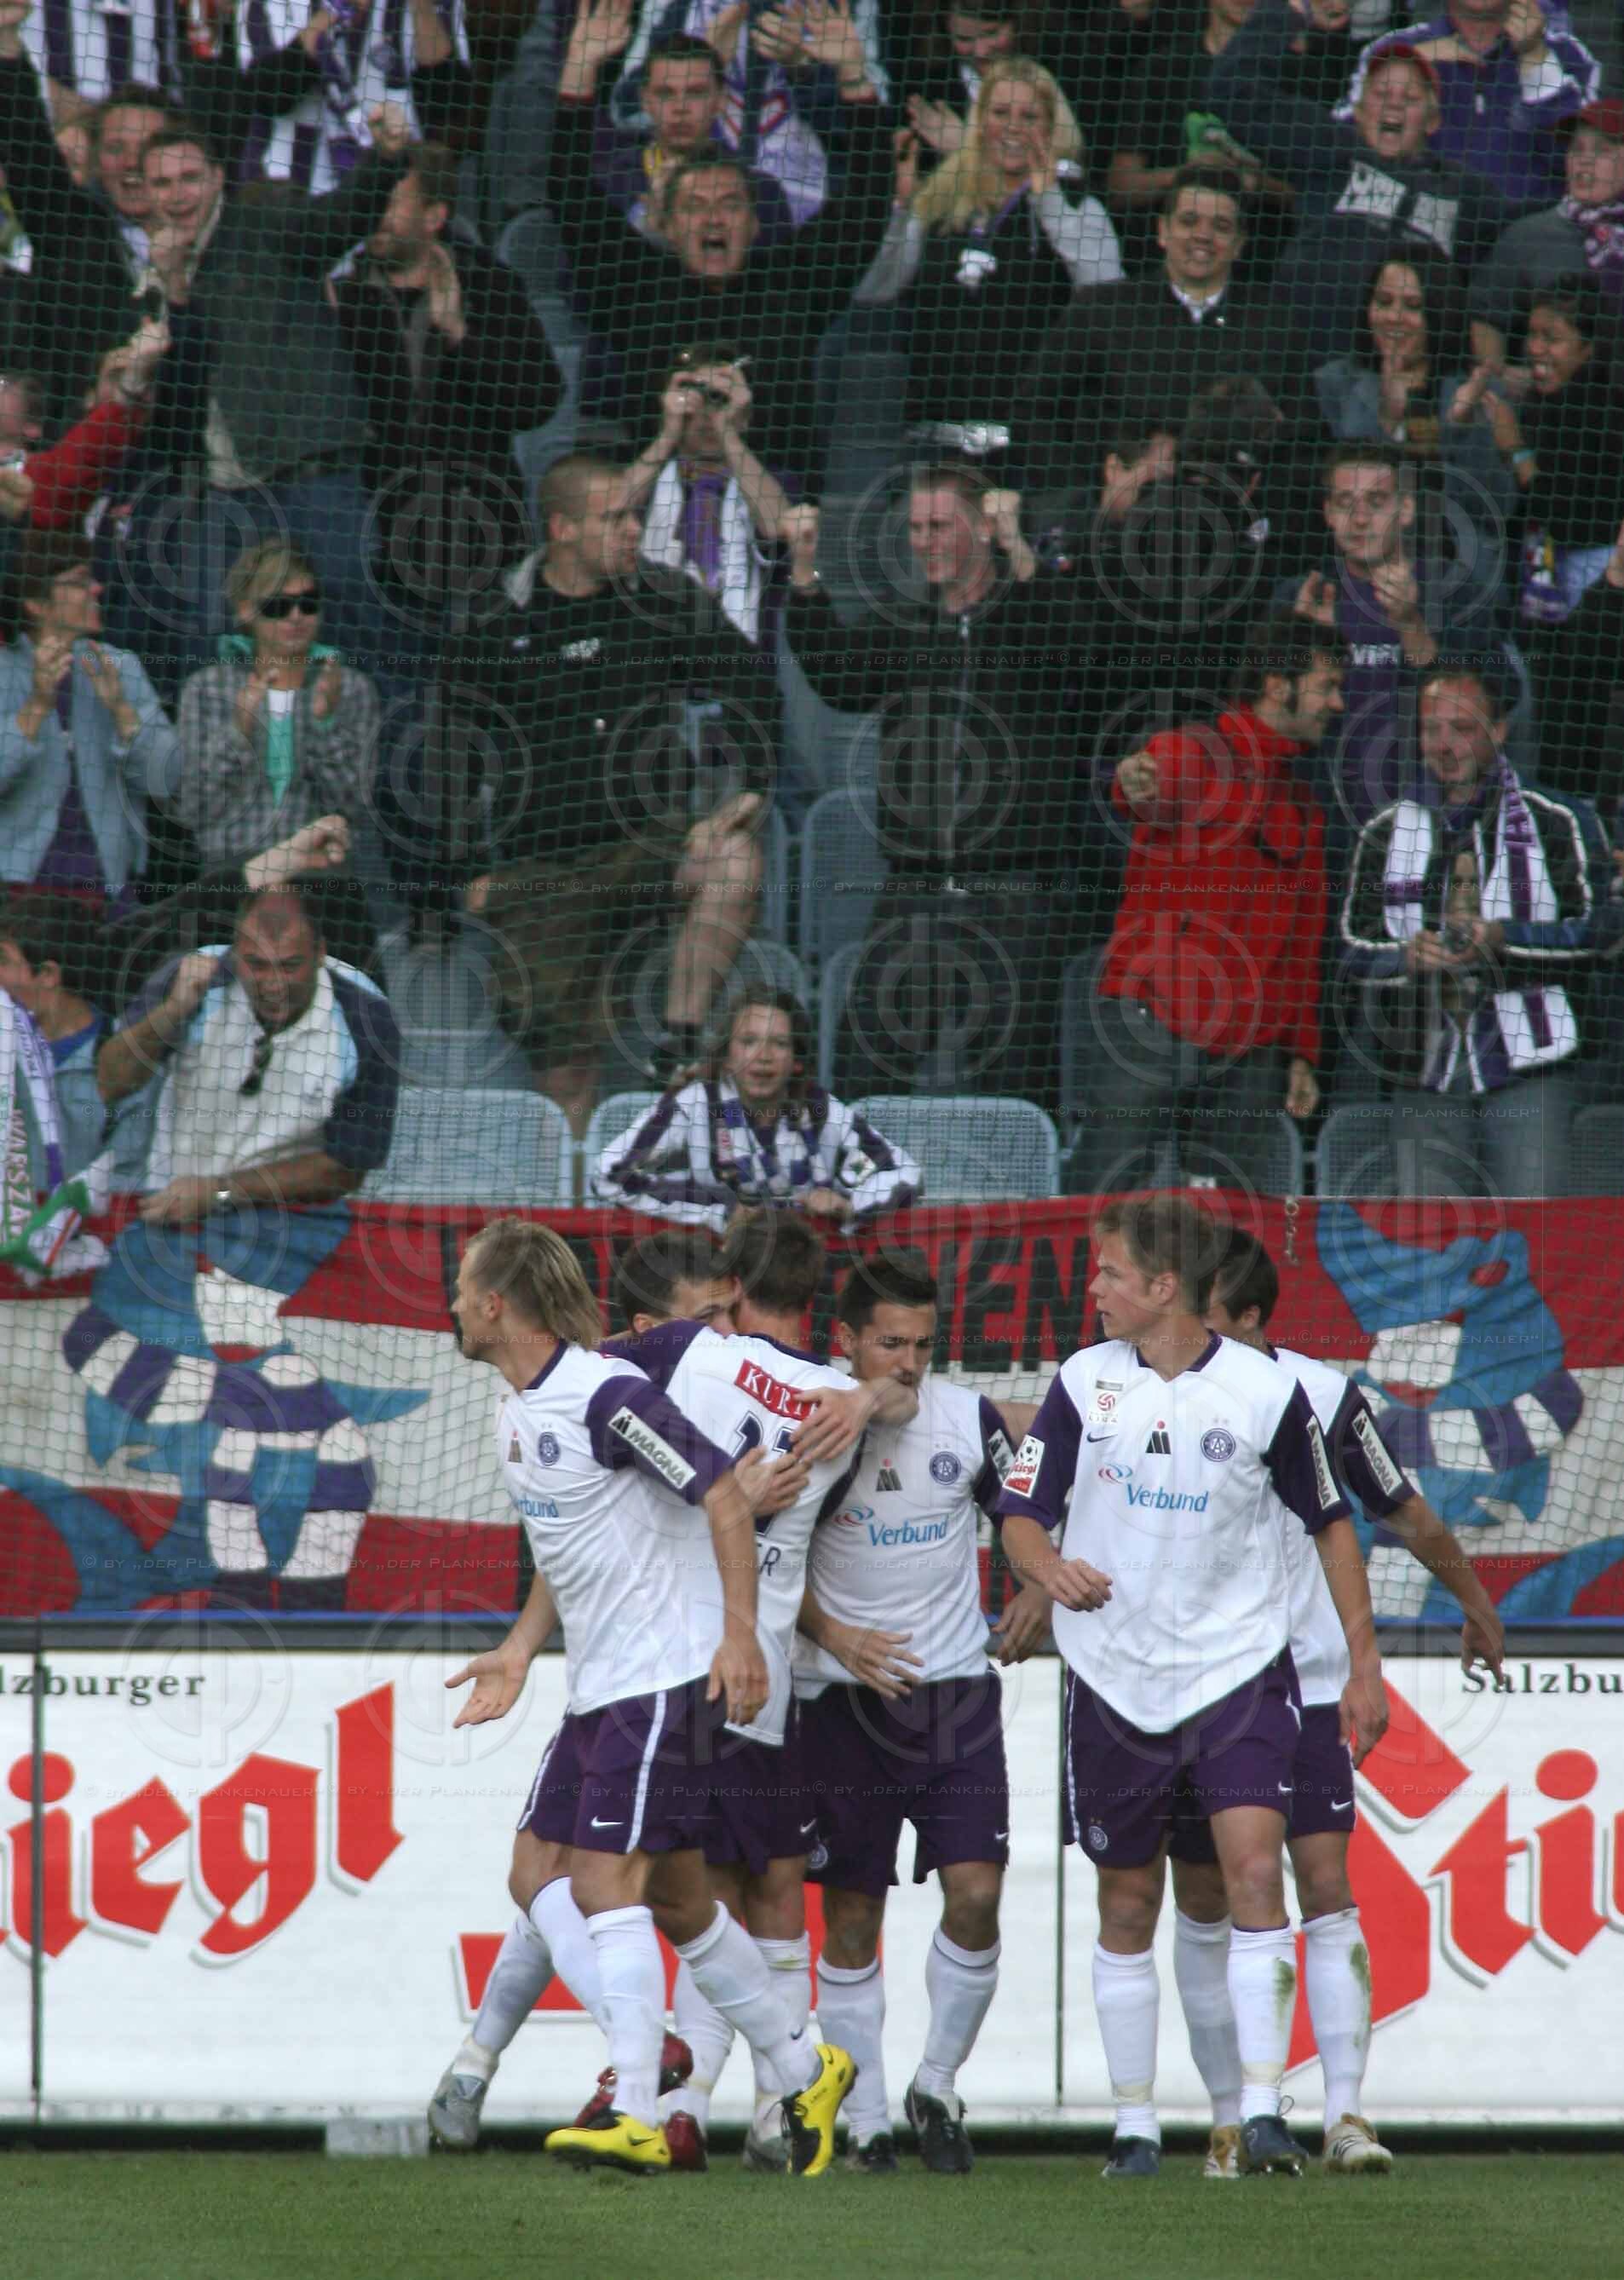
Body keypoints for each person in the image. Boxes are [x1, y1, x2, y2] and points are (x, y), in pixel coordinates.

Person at [431, 1214, 895, 2168]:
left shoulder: (605, 1395)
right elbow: (570, 1548)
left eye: (460, 1286)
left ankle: (640, 2099)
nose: (449, 1304)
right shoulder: (518, 1408)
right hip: (604, 1680)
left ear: (492, 1304)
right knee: (627, 1889)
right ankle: (804, 2065)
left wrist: (737, 1637)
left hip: (665, 1672)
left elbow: (722, 1493)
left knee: (600, 1882)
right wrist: (520, 1650)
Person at [996, 1194, 1387, 2179]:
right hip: (1114, 1680)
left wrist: (1363, 1659)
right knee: (1128, 1905)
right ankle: (1133, 2124)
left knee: (1256, 1876)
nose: (1093, 1290)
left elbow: (1332, 1525)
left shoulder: (1261, 1393)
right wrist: (1047, 1572)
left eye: (1109, 1274)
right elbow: (1020, 1514)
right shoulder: (1082, 1383)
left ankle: (1263, 2115)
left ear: (1163, 1288)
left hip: (1238, 1673)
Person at [1166, 1225, 1505, 2179]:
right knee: (1208, 1897)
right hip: (1188, 1685)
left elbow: (1402, 1509)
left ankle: (1345, 2115)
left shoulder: (1318, 1396)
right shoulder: (1160, 1392)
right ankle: (1232, 2115)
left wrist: (1473, 1607)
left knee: (1322, 1884)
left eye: (1213, 1318)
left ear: (1251, 1319)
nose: (1196, 1333)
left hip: (1306, 1683)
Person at [794, 1248, 1049, 2174]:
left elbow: (1024, 1504)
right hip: (840, 1704)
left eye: (922, 1345)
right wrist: (834, 1637)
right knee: (853, 1914)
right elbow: (761, 1560)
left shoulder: (968, 1419)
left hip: (952, 1700)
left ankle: (935, 2084)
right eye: (889, 1344)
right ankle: (862, 2120)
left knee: (977, 1894)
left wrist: (1041, 1584)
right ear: (846, 1342)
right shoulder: (810, 1425)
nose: (907, 1362)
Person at [88, 876, 400, 1605]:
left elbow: (348, 1165)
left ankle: (258, 1586)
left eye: (290, 966)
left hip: (295, 1232)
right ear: (234, 953)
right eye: (256, 965)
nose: (273, 982)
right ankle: (273, 1588)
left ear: (321, 953)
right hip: (171, 1236)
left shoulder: (365, 1015)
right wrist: (173, 1011)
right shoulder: (190, 981)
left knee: (298, 1437)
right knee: (318, 1440)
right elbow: (109, 1081)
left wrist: (221, 1189)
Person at [440, 451, 769, 1126]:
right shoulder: (494, 623)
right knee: (568, 1080)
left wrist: (749, 791)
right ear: (562, 529)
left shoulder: (664, 600)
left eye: (635, 516)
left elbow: (752, 682)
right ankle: (578, 1211)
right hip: (542, 868)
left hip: (649, 843)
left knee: (734, 860)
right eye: (614, 518)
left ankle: (678, 1044)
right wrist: (463, 872)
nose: (632, 531)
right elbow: (447, 753)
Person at [781, 469, 1084, 1106]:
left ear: (980, 525)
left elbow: (1075, 651)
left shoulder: (1028, 614)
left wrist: (1018, 549)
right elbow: (838, 678)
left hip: (1014, 887)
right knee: (867, 1065)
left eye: (939, 525)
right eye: (916, 528)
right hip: (915, 884)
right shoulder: (906, 623)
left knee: (1014, 1084)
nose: (924, 541)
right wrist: (805, 571)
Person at [548, 0, 896, 483]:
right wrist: (579, 73)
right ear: (665, 225)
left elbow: (868, 200)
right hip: (653, 501)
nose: (714, 218)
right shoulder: (634, 286)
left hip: (777, 501)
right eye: (695, 206)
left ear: (756, 223)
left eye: (730, 204)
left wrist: (856, 78)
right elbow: (569, 195)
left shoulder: (793, 285)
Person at [126, 111, 418, 676]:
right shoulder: (149, 281)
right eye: (162, 183)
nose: (177, 195)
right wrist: (174, 289)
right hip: (222, 495)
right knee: (213, 641)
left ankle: (396, 762)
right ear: (142, 193)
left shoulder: (263, 220)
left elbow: (340, 221)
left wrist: (383, 163)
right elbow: (172, 405)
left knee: (360, 635)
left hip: (315, 477)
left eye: (189, 179)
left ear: (216, 178)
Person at [1064, 614, 1341, 1195]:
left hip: (1249, 1046)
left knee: (1229, 1222)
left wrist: (1301, 1053)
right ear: (1276, 685)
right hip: (1151, 1021)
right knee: (1105, 1200)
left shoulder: (1306, 808)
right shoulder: (1196, 751)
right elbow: (1148, 780)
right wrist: (1134, 781)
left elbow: (1303, 949)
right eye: (1327, 686)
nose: (1337, 703)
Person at [1339, 659, 1613, 1196]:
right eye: (1431, 729)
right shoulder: (1385, 830)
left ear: (1499, 731)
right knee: (1432, 1247)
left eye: (1462, 729)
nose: (1444, 745)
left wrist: (1504, 939)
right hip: (1423, 1069)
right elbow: (1351, 946)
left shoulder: (1558, 819)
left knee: (1537, 1236)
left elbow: (1602, 932)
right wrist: (1406, 956)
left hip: (1532, 1067)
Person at [327, 139, 564, 621]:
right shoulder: (343, 301)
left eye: (391, 200)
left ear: (434, 215)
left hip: (483, 526)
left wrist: (460, 334)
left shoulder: (488, 285)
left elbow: (538, 401)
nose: (375, 213)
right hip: (380, 534)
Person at [1210, 8, 1507, 361]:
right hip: (1303, 363)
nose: (1393, 105)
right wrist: (1290, 11)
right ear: (1361, 110)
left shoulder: (1468, 193)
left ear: (1432, 121)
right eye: (1382, 94)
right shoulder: (1328, 145)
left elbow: (1512, 254)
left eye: (1410, 98)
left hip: (1409, 374)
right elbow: (1231, 91)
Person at [851, 57, 1120, 443]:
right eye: (1000, 112)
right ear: (980, 121)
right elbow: (874, 291)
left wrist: (1050, 203)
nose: (1012, 126)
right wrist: (901, 210)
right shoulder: (941, 195)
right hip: (935, 433)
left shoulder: (1080, 204)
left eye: (1029, 115)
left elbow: (1108, 299)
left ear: (1051, 127)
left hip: (1034, 440)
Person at [1013, 168, 1310, 497]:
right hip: (1115, 519)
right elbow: (1033, 409)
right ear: (1162, 230)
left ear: (1240, 244)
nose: (1203, 235)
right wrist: (1087, 498)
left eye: (1221, 227)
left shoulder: (1275, 327)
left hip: (1232, 522)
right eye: (1188, 221)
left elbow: (1301, 440)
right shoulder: (1102, 310)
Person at [1281, 440, 1508, 829]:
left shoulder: (1453, 591)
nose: (1360, 519)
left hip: (1430, 816)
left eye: (1376, 501)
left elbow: (1489, 706)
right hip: (1319, 815)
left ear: (1405, 510)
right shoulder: (1300, 596)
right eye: (1345, 502)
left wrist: (1409, 623)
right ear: (1328, 513)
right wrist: (1307, 645)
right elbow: (1270, 717)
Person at [594, 990, 922, 1227]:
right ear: (727, 1054)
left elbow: (905, 1175)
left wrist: (848, 1203)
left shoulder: (818, 1108)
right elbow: (608, 1174)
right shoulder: (695, 1104)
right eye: (748, 1042)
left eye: (779, 1043)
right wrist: (716, 1208)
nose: (763, 1056)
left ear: (796, 1061)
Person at [1448, 276, 1624, 675]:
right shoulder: (1535, 407)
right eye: (1531, 335)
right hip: (1536, 586)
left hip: (1591, 602)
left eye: (1552, 338)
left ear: (1588, 349)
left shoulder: (1604, 416)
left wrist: (1516, 449)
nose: (1535, 349)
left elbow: (1567, 520)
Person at [0, 530, 180, 913]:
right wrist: (36, 705)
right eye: (81, 582)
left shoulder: (121, 666)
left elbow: (168, 779)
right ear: (36, 602)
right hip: (15, 898)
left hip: (107, 893)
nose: (97, 589)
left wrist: (121, 710)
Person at [173, 542, 378, 872]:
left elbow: (356, 808)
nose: (296, 616)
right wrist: (238, 730)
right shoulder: (208, 689)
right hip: (233, 871)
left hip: (321, 873)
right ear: (244, 610)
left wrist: (326, 726)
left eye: (308, 603)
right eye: (277, 606)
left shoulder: (351, 688)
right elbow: (196, 808)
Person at [609, 0, 890, 230]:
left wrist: (804, 72)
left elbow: (872, 119)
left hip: (812, 213)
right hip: (696, 214)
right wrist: (703, 61)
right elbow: (625, 109)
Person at [1313, 247, 1514, 537]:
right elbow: (1331, 497)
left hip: (1454, 565)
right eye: (1383, 302)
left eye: (1413, 306)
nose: (1394, 317)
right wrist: (1387, 420)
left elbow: (1496, 509)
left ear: (1440, 312)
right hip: (1360, 559)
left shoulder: (1480, 390)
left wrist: (1461, 425)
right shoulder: (1333, 384)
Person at [1333, 0, 1597, 209]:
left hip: (1529, 247)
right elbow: (1338, 148)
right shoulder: (1393, 47)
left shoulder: (1570, 56)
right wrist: (1414, 63)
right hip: (1419, 238)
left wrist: (1535, 58)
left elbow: (1589, 167)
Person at [619, 346, 794, 645]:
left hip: (743, 660)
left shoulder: (771, 480)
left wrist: (728, 431)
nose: (706, 415)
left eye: (720, 400)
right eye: (695, 399)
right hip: (651, 652)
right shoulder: (647, 474)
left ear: (745, 415)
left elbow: (778, 526)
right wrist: (668, 433)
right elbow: (608, 509)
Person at [581, 27, 798, 243]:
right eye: (665, 93)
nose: (680, 107)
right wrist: (647, 224)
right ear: (645, 100)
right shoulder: (608, 185)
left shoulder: (763, 194)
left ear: (721, 99)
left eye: (696, 93)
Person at [236, 0, 470, 194]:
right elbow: (270, 94)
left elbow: (449, 103)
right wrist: (334, 10)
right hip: (291, 192)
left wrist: (422, 8)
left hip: (394, 194)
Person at [1468, 99, 1624, 369]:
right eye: (1576, 149)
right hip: (1547, 403)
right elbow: (1485, 317)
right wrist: (1501, 378)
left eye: (1602, 150)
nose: (1584, 161)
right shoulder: (1531, 235)